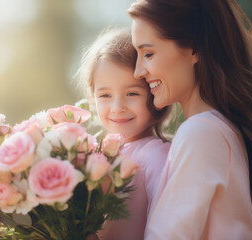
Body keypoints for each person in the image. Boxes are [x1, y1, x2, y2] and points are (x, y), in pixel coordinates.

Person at [127, 0, 252, 239]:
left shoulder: (202, 133)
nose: (138, 72)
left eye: (148, 54)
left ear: (194, 48)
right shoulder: (220, 130)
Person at [76, 27, 171, 240]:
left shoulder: (156, 156)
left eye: (132, 93)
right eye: (105, 95)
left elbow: (168, 228)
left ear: (153, 93)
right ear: (93, 98)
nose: (117, 107)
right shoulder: (95, 158)